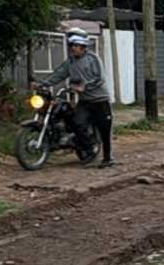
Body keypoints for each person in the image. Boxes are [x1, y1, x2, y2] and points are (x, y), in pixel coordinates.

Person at [33, 28, 115, 168]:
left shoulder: (93, 59)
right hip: (84, 101)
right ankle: (88, 149)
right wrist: (41, 84)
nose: (73, 48)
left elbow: (99, 78)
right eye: (72, 46)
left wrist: (84, 87)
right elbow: (58, 75)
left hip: (99, 100)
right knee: (77, 122)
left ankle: (107, 158)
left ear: (83, 47)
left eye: (76, 46)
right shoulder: (70, 62)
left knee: (104, 129)